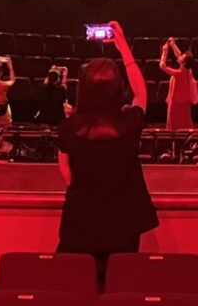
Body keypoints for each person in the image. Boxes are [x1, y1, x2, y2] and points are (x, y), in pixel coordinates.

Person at [56, 22, 157, 276]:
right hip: (123, 224)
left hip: (80, 222)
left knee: (77, 283)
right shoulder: (129, 125)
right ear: (118, 90)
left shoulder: (68, 128)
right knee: (119, 282)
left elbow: (67, 175)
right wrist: (123, 47)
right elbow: (141, 94)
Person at [159, 38, 198, 132]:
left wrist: (165, 51)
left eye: (183, 56)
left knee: (174, 127)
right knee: (185, 125)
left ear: (183, 63)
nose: (181, 56)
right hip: (185, 103)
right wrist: (173, 45)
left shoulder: (178, 73)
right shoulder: (188, 72)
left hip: (175, 104)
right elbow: (179, 54)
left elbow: (162, 66)